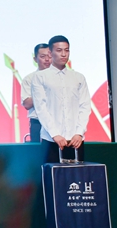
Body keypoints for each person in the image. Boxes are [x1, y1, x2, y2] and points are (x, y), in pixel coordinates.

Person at [31, 35, 91, 163]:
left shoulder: (78, 77)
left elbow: (85, 106)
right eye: (59, 50)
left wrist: (79, 133)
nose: (63, 54)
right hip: (50, 139)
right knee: (51, 173)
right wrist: (55, 134)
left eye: (66, 50)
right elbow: (41, 108)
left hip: (75, 139)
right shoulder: (40, 77)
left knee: (77, 174)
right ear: (50, 53)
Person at [21, 43, 52, 142]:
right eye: (43, 56)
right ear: (35, 59)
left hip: (59, 122)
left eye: (50, 56)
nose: (47, 59)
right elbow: (27, 104)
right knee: (39, 151)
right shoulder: (29, 79)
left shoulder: (62, 78)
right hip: (38, 123)